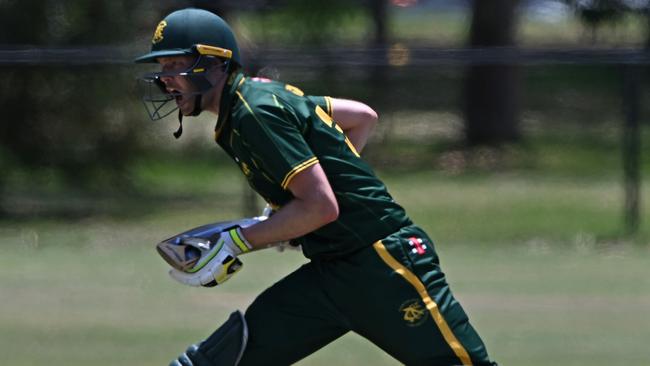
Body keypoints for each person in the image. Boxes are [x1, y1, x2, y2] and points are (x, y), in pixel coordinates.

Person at [136, 8, 496, 366]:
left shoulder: (253, 111)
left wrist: (238, 240)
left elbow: (322, 207)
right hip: (331, 272)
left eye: (173, 66)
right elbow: (361, 117)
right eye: (162, 68)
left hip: (381, 264)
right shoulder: (247, 105)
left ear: (214, 63)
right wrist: (294, 211)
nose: (165, 80)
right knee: (217, 361)